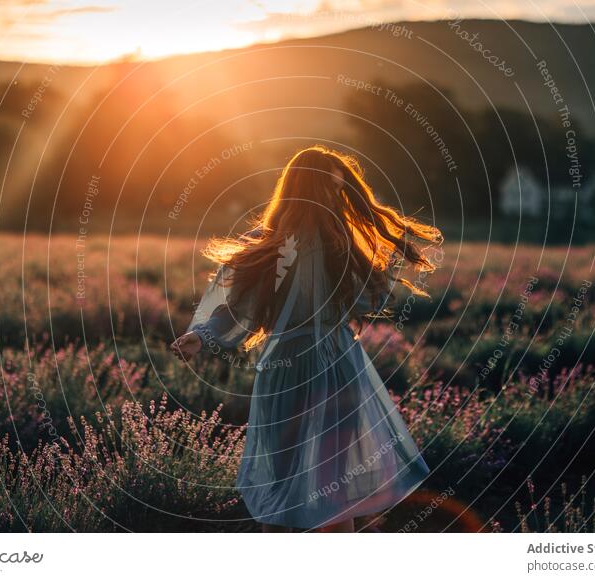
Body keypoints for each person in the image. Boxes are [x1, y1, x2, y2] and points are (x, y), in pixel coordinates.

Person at [170, 144, 442, 532]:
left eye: (339, 189)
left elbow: (367, 298)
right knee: (300, 480)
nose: (336, 197)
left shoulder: (333, 243)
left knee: (330, 482)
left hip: (323, 364)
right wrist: (202, 336)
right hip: (309, 365)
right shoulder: (281, 244)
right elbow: (239, 308)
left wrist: (372, 263)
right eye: (330, 189)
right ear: (308, 189)